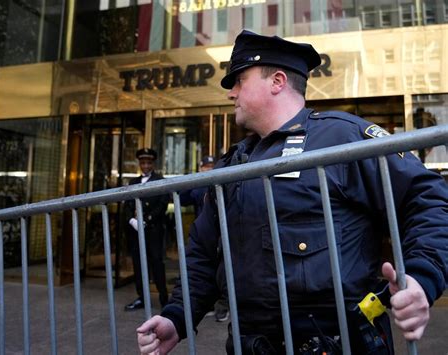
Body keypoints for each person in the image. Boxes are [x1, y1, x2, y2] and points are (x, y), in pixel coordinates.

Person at [136, 30, 448, 354]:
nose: (231, 93)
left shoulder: (344, 137)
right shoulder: (233, 165)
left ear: (277, 81)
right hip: (253, 344)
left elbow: (427, 199)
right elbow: (203, 252)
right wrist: (176, 317)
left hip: (338, 341)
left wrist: (422, 278)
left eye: (240, 80)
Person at [180, 155, 230, 322]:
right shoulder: (199, 185)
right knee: (206, 266)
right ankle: (208, 304)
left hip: (222, 230)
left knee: (223, 267)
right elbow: (183, 198)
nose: (208, 169)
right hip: (203, 232)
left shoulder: (220, 181)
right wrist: (194, 179)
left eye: (211, 166)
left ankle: (223, 306)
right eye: (205, 167)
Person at [124, 148, 169, 311]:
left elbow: (163, 204)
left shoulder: (160, 179)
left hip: (153, 230)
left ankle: (164, 297)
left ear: (153, 164)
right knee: (138, 262)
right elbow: (127, 204)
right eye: (143, 163)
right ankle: (142, 297)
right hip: (136, 230)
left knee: (156, 262)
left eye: (148, 163)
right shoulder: (133, 182)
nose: (145, 166)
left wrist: (147, 220)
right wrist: (132, 220)